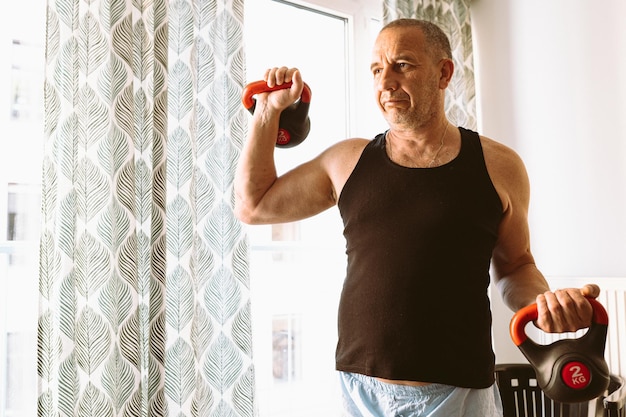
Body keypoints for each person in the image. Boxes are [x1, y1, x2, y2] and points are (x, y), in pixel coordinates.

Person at [234, 18, 600, 417]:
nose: (385, 82)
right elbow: (253, 206)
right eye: (376, 69)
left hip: (458, 396)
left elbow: (516, 266)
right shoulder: (347, 161)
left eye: (402, 65)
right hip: (360, 391)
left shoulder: (499, 166)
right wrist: (267, 112)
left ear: (443, 73)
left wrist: (543, 304)